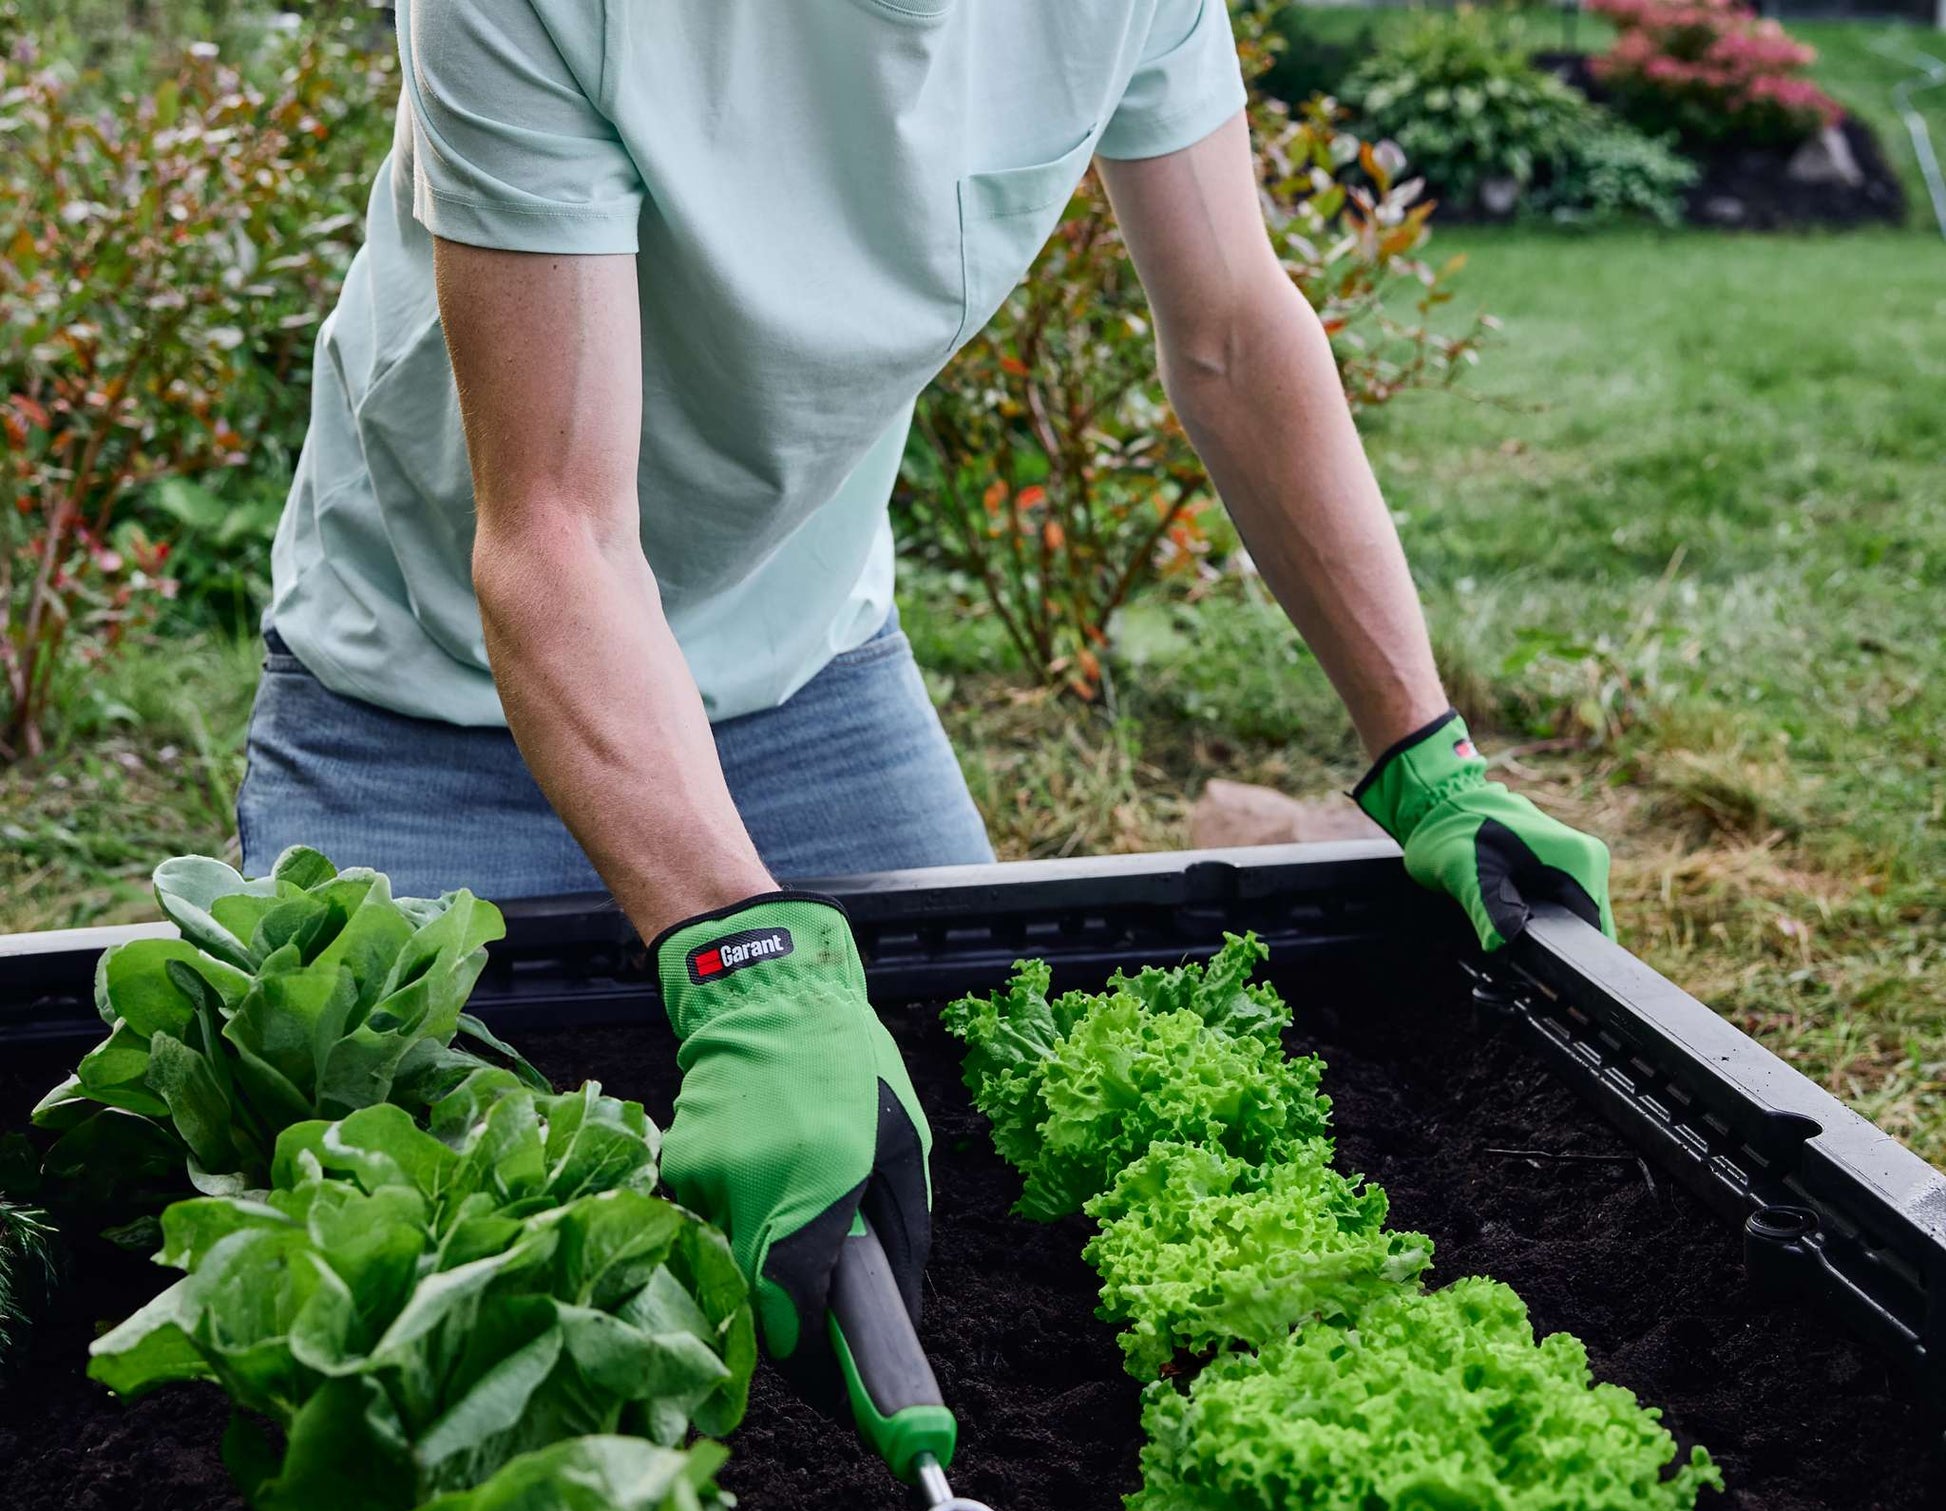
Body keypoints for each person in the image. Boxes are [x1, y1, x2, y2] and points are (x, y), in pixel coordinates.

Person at [240, 0, 1614, 1373]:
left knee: (975, 1176)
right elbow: (556, 530)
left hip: (804, 672)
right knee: (400, 1316)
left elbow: (1234, 334)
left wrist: (1423, 753)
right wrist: (744, 958)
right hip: (417, 695)